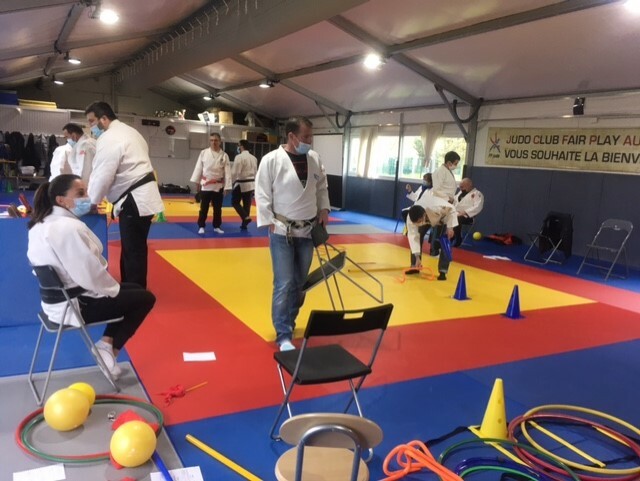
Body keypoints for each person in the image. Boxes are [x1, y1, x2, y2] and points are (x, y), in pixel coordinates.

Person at [26, 175, 156, 379]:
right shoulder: (67, 228)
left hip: (55, 303)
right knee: (146, 298)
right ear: (61, 200)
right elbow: (89, 274)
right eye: (80, 193)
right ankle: (108, 349)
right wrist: (112, 290)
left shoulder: (40, 224)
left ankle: (106, 344)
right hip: (76, 306)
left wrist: (113, 289)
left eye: (85, 191)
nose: (86, 197)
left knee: (134, 290)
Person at [255, 117, 330, 352]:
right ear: (291, 136)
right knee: (284, 282)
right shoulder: (271, 160)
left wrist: (324, 209)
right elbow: (262, 192)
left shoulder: (314, 159)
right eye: (306, 136)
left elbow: (322, 187)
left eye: (311, 136)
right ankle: (283, 334)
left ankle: (290, 321)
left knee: (299, 283)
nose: (310, 140)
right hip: (281, 230)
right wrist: (267, 220)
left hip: (307, 231)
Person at [85, 101, 163, 289]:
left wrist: (92, 202)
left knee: (133, 248)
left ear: (104, 119)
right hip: (140, 196)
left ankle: (135, 291)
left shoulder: (110, 138)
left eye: (92, 121)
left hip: (134, 199)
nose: (90, 127)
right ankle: (130, 287)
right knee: (133, 247)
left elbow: (103, 174)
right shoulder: (131, 132)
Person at [406, 190, 458, 281]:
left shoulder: (436, 206)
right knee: (417, 236)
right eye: (416, 223)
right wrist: (417, 257)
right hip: (427, 218)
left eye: (419, 221)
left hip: (443, 218)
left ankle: (443, 271)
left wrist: (450, 227)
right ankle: (415, 265)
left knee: (445, 241)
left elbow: (452, 209)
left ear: (423, 215)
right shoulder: (410, 219)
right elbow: (413, 237)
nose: (418, 224)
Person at [190, 132, 232, 235]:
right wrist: (197, 182)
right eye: (211, 140)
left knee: (217, 208)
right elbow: (198, 168)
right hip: (206, 184)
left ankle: (217, 226)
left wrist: (227, 187)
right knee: (204, 208)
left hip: (218, 185)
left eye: (216, 140)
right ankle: (201, 226)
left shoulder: (224, 155)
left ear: (220, 142)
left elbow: (227, 172)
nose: (214, 142)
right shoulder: (204, 153)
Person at [231, 139, 258, 230]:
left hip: (241, 183)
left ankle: (245, 217)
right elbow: (256, 172)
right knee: (247, 204)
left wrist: (230, 183)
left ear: (241, 146)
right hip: (251, 184)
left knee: (235, 202)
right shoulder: (254, 158)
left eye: (238, 146)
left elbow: (235, 172)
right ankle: (244, 224)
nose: (238, 147)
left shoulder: (239, 157)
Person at [453, 178, 484, 246]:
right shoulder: (461, 192)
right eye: (460, 187)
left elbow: (478, 206)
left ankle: (458, 238)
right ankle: (441, 236)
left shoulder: (477, 194)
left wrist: (465, 212)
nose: (461, 189)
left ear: (469, 185)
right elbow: (455, 200)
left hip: (468, 216)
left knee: (457, 219)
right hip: (456, 213)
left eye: (462, 187)